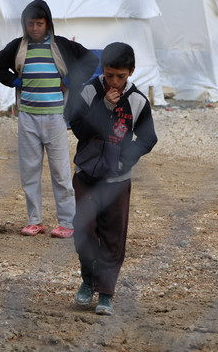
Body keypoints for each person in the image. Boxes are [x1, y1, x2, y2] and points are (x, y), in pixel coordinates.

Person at [0, 0, 99, 238]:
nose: (35, 28)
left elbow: (91, 60)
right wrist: (13, 81)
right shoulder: (18, 47)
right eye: (30, 24)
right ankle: (35, 221)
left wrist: (73, 80)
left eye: (39, 23)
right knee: (29, 171)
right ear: (24, 25)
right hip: (28, 117)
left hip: (55, 117)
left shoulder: (60, 46)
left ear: (48, 24)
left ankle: (67, 224)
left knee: (60, 172)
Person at [67, 42, 157, 315]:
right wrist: (104, 106)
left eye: (120, 76)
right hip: (87, 175)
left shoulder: (138, 100)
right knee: (84, 229)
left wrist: (124, 159)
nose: (115, 82)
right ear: (102, 71)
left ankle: (106, 293)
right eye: (109, 76)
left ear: (131, 71)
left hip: (117, 181)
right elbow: (78, 127)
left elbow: (148, 138)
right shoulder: (89, 92)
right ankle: (87, 280)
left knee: (113, 236)